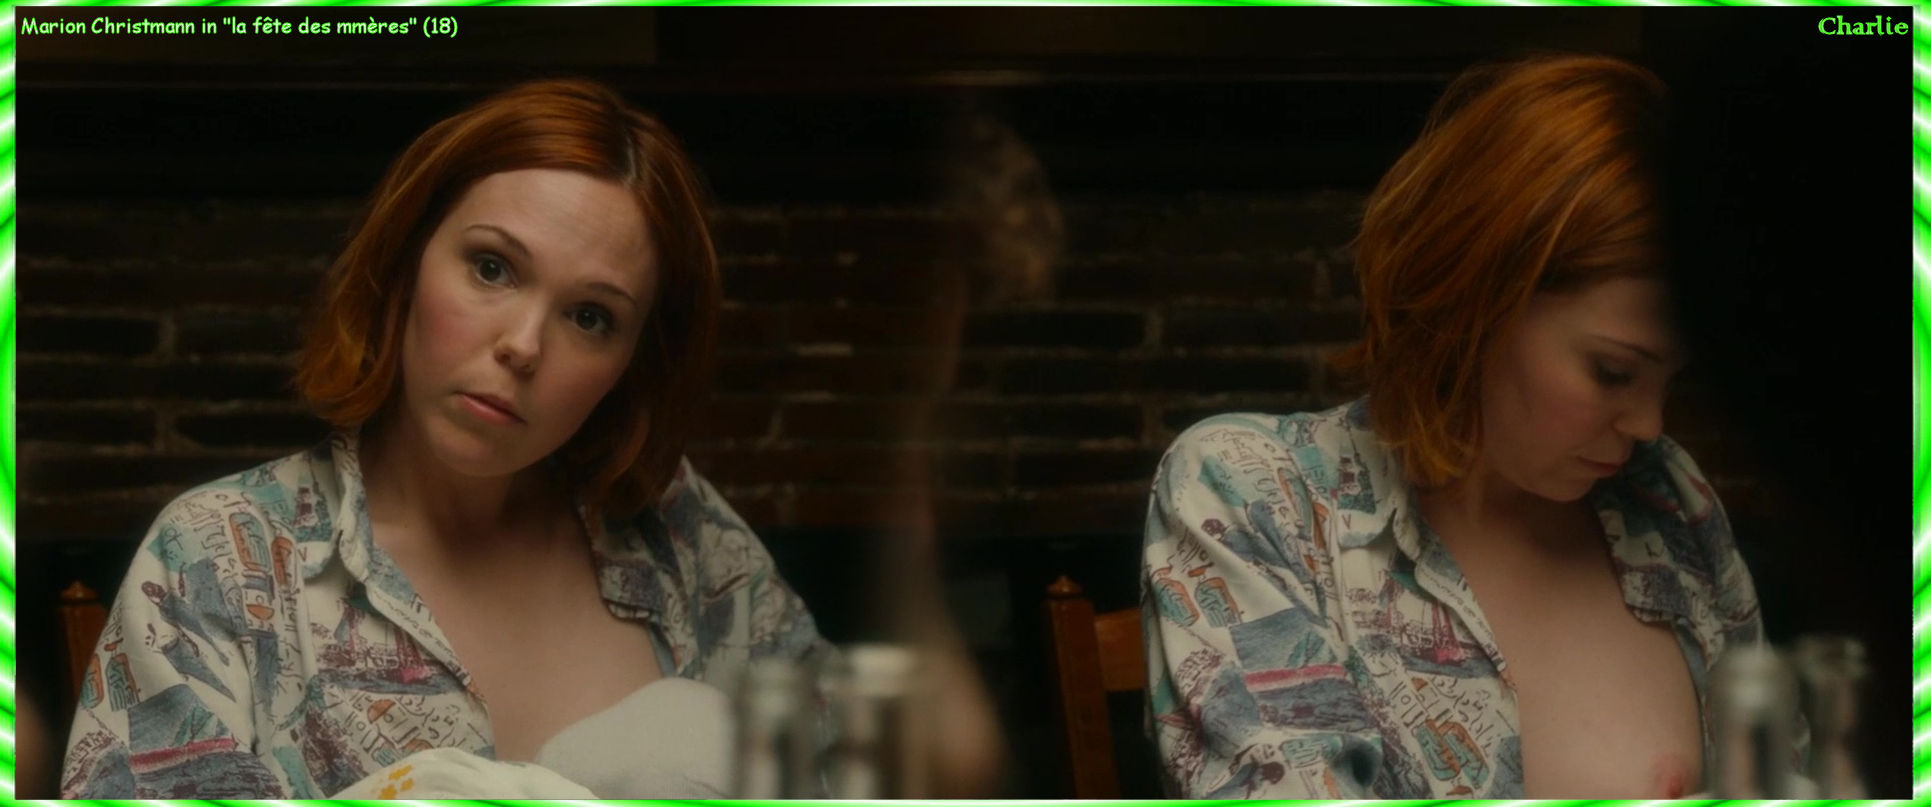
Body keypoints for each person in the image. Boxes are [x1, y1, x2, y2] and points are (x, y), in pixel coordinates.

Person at [59, 78, 999, 798]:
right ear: (405, 261)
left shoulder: (674, 531)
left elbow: (854, 775)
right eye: (492, 267)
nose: (522, 345)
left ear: (631, 361)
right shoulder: (222, 555)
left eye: (591, 317)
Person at [1140, 54, 1768, 798]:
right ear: (1477, 301)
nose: (1648, 423)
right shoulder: (1250, 493)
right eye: (1612, 370)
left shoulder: (1668, 500)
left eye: (1673, 378)